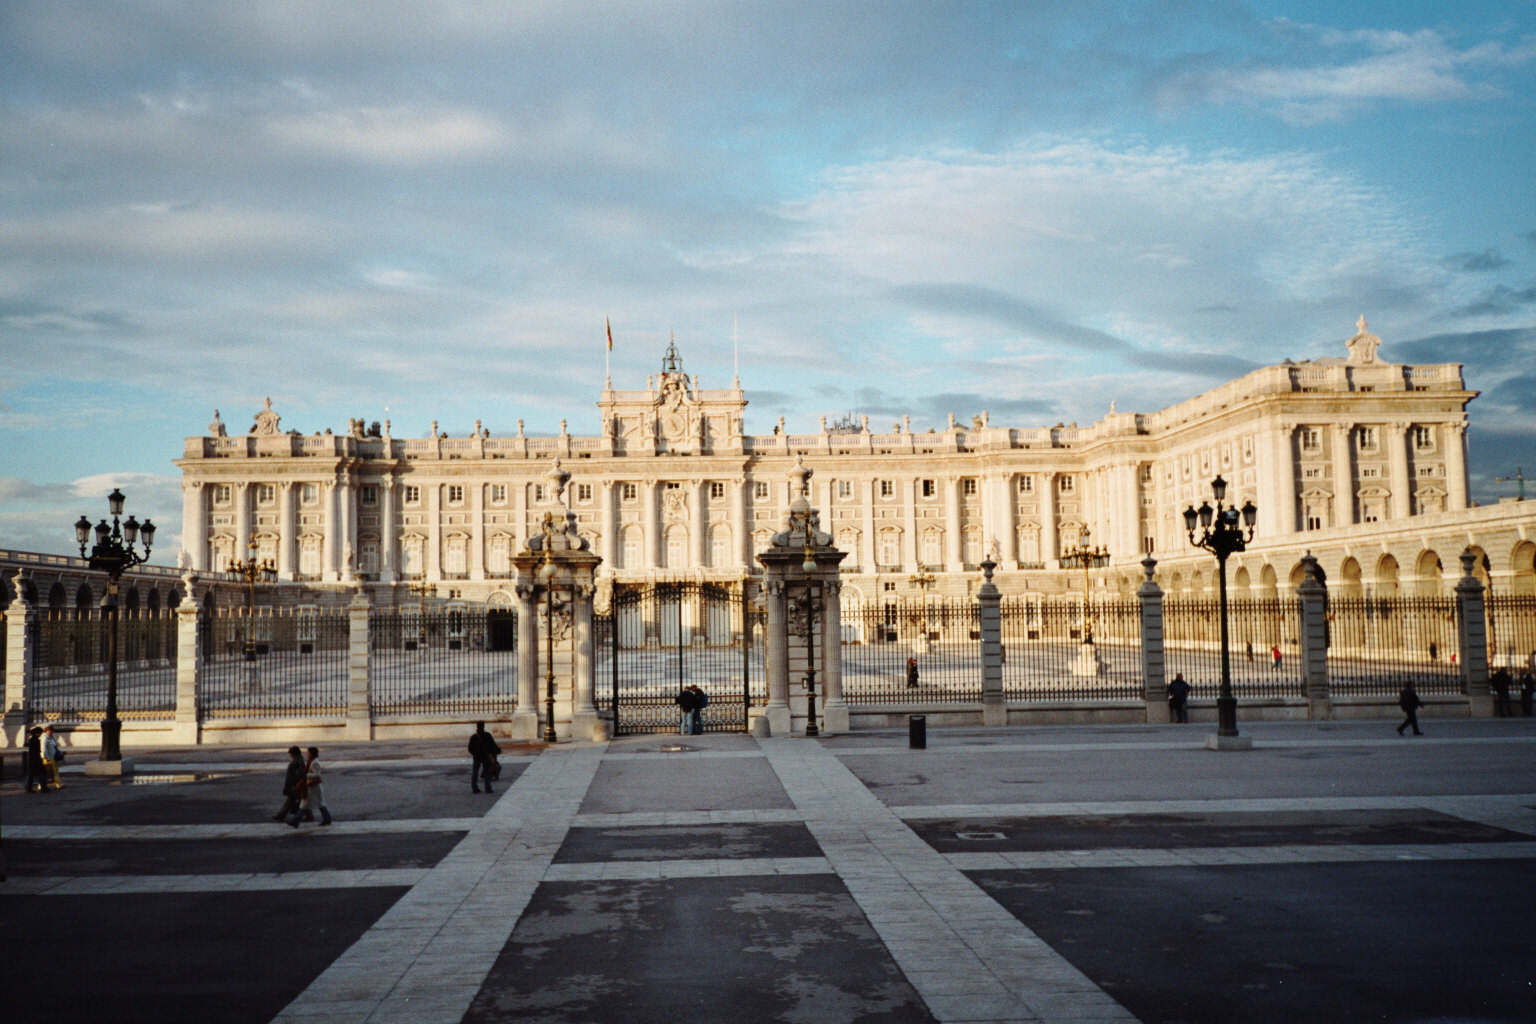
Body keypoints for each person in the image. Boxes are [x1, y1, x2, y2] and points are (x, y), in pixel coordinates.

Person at [296, 746, 332, 826]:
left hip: (314, 786)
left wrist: (306, 774)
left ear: (311, 754)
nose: (306, 753)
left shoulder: (315, 763)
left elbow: (317, 774)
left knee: (306, 804)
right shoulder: (310, 761)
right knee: (318, 803)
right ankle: (327, 819)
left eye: (307, 752)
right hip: (311, 786)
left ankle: (295, 821)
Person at [274, 746, 308, 824]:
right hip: (294, 784)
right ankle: (280, 815)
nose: (290, 755)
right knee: (296, 800)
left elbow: (299, 774)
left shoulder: (298, 761)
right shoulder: (298, 760)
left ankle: (280, 816)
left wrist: (296, 785)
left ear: (294, 753)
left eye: (291, 753)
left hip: (295, 785)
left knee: (299, 800)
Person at [468, 721, 501, 794]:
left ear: (477, 726)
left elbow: (470, 748)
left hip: (477, 757)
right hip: (485, 757)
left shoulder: (474, 737)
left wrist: (474, 754)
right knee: (487, 773)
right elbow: (493, 746)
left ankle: (475, 788)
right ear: (483, 726)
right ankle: (487, 788)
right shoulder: (487, 735)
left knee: (475, 772)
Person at [24, 726, 49, 793]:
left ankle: (28, 788)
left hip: (31, 759)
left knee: (31, 774)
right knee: (42, 773)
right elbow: (38, 750)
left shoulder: (31, 739)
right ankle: (43, 787)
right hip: (36, 758)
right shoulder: (36, 740)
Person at [41, 724, 63, 790]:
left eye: (51, 730)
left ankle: (58, 783)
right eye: (49, 730)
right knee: (48, 772)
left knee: (55, 770)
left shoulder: (52, 737)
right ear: (46, 731)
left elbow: (55, 746)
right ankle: (42, 784)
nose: (50, 732)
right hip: (48, 757)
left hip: (53, 756)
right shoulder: (45, 738)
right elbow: (43, 748)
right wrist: (45, 757)